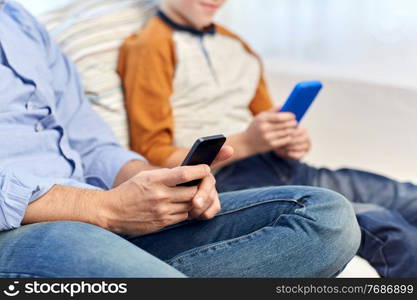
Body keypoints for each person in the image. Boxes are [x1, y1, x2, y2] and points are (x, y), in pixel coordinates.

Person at [0, 0, 360, 278]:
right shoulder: (151, 44)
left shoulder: (22, 23)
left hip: (99, 213)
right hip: (25, 227)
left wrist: (149, 183)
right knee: (74, 241)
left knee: (324, 216)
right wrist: (102, 209)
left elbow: (90, 140)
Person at [118, 0, 417, 277]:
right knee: (386, 227)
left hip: (282, 167)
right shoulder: (148, 46)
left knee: (406, 196)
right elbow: (154, 156)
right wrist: (248, 142)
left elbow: (266, 117)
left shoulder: (237, 45)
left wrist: (288, 140)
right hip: (232, 180)